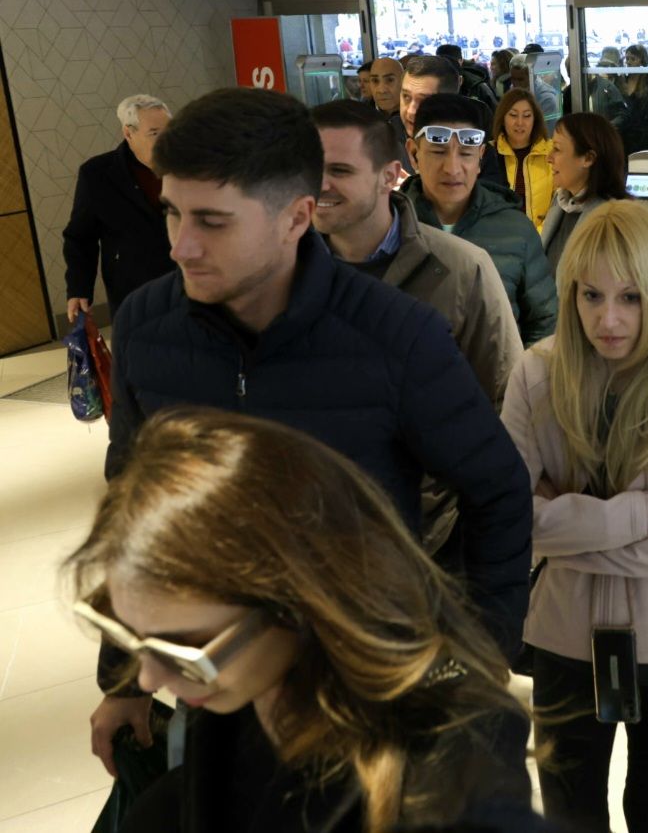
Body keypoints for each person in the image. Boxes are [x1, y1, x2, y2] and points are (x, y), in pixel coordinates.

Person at [90, 88, 532, 775]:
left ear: (297, 217)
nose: (181, 245)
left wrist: (480, 652)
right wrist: (123, 674)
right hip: (214, 690)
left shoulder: (395, 335)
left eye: (212, 221)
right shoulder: (148, 327)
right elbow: (135, 507)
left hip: (365, 692)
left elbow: (498, 489)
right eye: (173, 213)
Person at [70, 408, 534, 833]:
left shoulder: (451, 779)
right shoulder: (243, 704)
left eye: (184, 650)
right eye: (131, 638)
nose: (149, 680)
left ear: (297, 606)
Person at [502, 201, 648, 833]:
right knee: (571, 813)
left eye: (631, 298)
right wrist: (636, 514)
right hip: (560, 637)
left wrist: (560, 527)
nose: (608, 319)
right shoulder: (535, 375)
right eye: (591, 296)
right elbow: (506, 519)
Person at [309, 99, 521, 408]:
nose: (320, 185)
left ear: (389, 176)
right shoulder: (285, 270)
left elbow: (507, 397)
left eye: (340, 171)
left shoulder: (463, 267)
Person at [401, 93, 557, 346]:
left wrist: (520, 379)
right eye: (438, 151)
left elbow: (546, 323)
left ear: (481, 156)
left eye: (465, 154)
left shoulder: (516, 230)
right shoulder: (388, 228)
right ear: (413, 152)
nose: (452, 168)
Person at [62, 94, 175, 322]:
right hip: (134, 289)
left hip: (189, 282)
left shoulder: (189, 167)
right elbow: (81, 237)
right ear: (128, 133)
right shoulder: (98, 174)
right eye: (154, 133)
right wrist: (78, 288)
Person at [540, 112, 630, 274]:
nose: (549, 157)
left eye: (557, 149)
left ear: (588, 158)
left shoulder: (612, 223)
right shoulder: (561, 202)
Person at [489, 89, 554, 231]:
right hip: (502, 239)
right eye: (513, 115)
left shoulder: (552, 152)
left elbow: (560, 204)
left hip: (543, 238)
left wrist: (538, 236)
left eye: (526, 116)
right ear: (503, 118)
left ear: (534, 119)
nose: (520, 122)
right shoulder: (488, 154)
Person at [398, 53, 462, 146]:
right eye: (406, 96)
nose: (411, 111)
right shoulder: (385, 139)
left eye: (424, 101)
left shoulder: (473, 151)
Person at [618, 43, 648, 158]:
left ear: (642, 61)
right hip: (624, 141)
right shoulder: (622, 81)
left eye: (633, 59)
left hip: (645, 142)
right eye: (627, 59)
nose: (629, 62)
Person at [507, 53, 561, 132]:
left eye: (520, 79)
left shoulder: (546, 98)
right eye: (513, 79)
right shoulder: (512, 90)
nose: (516, 83)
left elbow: (544, 131)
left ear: (532, 76)